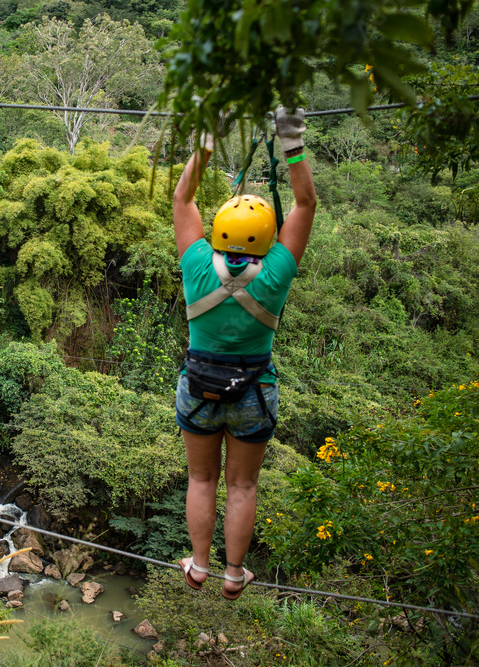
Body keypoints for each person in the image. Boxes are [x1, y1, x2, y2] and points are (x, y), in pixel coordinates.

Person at [172, 106, 316, 600]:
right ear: (267, 237)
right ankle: (235, 576)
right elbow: (305, 204)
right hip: (255, 390)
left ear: (218, 231)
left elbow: (182, 196)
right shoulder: (276, 270)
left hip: (199, 388)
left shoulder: (196, 263)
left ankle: (198, 566)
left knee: (200, 477)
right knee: (242, 487)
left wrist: (208, 137)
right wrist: (290, 141)